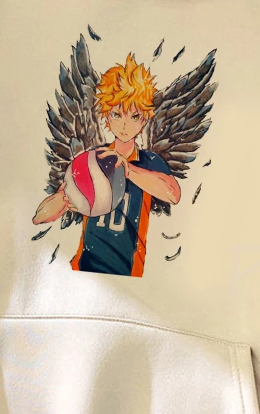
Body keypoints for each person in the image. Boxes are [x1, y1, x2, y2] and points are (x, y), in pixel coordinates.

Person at [33, 54, 181, 277]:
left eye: (134, 116)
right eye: (116, 114)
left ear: (144, 120)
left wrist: (127, 170)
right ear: (107, 118)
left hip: (127, 272)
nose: (124, 124)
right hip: (83, 268)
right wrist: (66, 198)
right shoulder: (92, 159)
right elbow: (39, 217)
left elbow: (173, 194)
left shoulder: (149, 162)